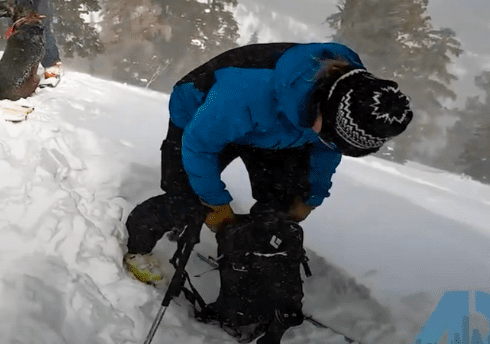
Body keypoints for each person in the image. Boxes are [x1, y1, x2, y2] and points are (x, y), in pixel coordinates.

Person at [122, 42, 413, 284]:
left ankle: (252, 262)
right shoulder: (245, 90)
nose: (331, 144)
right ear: (320, 109)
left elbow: (325, 150)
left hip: (278, 127)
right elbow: (198, 146)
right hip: (202, 114)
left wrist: (311, 198)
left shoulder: (346, 96)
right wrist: (216, 204)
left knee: (282, 204)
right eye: (331, 136)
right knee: (186, 197)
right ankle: (138, 245)